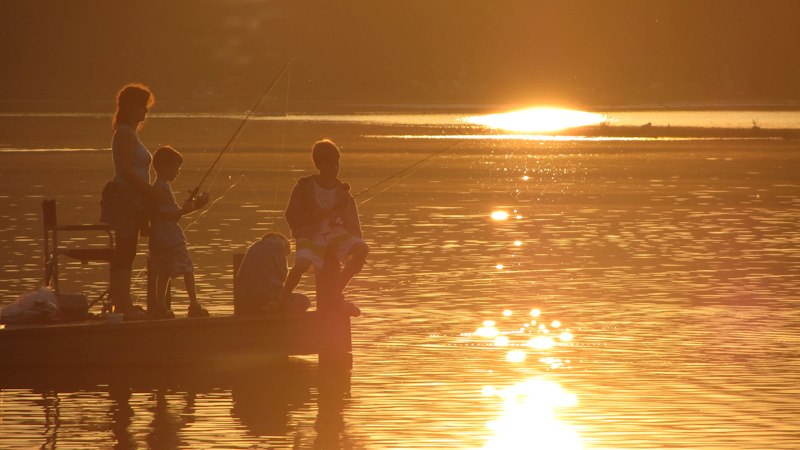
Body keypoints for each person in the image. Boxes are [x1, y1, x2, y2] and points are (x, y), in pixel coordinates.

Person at [100, 83, 167, 320]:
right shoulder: (125, 133)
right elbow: (127, 170)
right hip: (122, 198)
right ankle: (123, 305)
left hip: (131, 200)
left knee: (127, 250)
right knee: (125, 250)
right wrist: (150, 191)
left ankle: (123, 304)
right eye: (143, 106)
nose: (146, 112)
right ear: (130, 107)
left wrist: (146, 195)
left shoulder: (129, 133)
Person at [281, 139, 368, 316]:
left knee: (362, 249)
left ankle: (335, 292)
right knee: (302, 264)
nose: (335, 167)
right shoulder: (304, 187)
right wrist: (313, 216)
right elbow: (291, 214)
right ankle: (282, 298)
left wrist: (352, 239)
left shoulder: (343, 192)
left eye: (337, 163)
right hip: (310, 235)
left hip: (335, 235)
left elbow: (352, 223)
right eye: (330, 163)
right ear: (319, 165)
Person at [147, 145, 210, 318]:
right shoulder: (161, 188)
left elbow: (171, 215)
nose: (178, 172)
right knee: (188, 269)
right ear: (165, 167)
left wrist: (195, 206)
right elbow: (170, 213)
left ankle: (160, 307)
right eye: (175, 168)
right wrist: (190, 208)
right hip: (171, 239)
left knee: (164, 272)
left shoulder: (158, 187)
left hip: (159, 238)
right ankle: (193, 305)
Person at [235, 232, 311, 315]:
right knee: (305, 301)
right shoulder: (279, 245)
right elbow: (283, 276)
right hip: (269, 296)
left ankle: (270, 308)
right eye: (285, 255)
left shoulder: (253, 246)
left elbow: (239, 276)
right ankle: (279, 313)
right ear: (286, 244)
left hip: (249, 299)